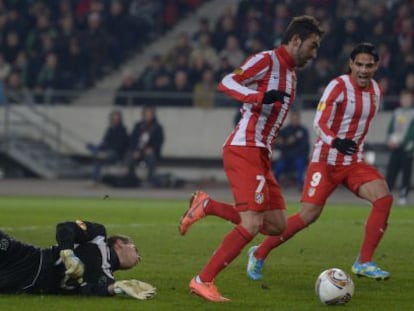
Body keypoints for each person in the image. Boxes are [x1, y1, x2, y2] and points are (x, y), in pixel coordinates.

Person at [178, 15, 324, 302]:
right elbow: (227, 81)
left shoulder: (291, 74)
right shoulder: (267, 60)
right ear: (296, 40)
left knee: (276, 225)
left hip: (261, 153)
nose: (314, 54)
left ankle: (206, 205)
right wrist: (257, 96)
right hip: (245, 147)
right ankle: (202, 280)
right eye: (312, 46)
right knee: (252, 223)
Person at [246, 43, 393, 282]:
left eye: (369, 65)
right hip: (325, 160)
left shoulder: (377, 91)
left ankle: (364, 262)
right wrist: (335, 142)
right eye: (359, 65)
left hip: (353, 161)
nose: (364, 70)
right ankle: (259, 252)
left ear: (376, 66)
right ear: (351, 64)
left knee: (384, 198)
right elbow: (318, 122)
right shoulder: (338, 86)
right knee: (307, 215)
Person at [0, 220, 156, 299]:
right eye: (136, 250)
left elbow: (88, 291)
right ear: (120, 244)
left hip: (25, 284)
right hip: (29, 259)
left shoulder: (107, 279)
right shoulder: (98, 236)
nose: (139, 258)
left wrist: (116, 289)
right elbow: (66, 227)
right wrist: (68, 253)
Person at [385, 89, 414, 205]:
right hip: (394, 146)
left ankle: (403, 195)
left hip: (407, 148)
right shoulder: (397, 112)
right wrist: (389, 140)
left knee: (406, 173)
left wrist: (401, 143)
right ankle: (385, 195)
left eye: (408, 99)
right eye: (404, 98)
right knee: (391, 172)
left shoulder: (412, 113)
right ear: (401, 100)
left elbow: (411, 132)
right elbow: (391, 128)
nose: (406, 101)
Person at [87, 110, 129, 183]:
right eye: (113, 118)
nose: (115, 120)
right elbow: (105, 142)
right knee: (97, 153)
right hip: (108, 151)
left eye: (116, 118)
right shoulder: (110, 129)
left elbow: (121, 146)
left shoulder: (122, 129)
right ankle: (96, 152)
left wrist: (107, 150)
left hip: (116, 153)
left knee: (100, 156)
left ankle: (94, 179)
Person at [126, 105, 164, 185]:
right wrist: (135, 150)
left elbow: (159, 141)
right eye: (146, 114)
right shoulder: (138, 126)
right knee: (129, 156)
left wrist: (151, 148)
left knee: (150, 156)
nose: (147, 116)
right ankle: (131, 179)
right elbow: (132, 139)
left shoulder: (157, 127)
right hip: (138, 151)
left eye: (149, 114)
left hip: (149, 151)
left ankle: (150, 180)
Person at [273, 110, 310, 189]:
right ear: (291, 119)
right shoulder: (285, 130)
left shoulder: (303, 130)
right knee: (278, 167)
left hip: (298, 156)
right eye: (293, 118)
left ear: (299, 119)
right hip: (286, 156)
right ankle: (274, 185)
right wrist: (283, 142)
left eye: (296, 118)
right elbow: (277, 142)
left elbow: (305, 146)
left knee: (300, 165)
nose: (295, 120)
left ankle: (301, 185)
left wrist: (294, 141)